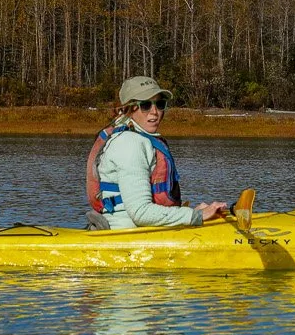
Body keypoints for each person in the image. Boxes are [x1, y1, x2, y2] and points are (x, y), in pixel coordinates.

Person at [85, 76, 228, 228]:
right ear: (127, 108)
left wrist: (189, 212)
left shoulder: (135, 138)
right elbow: (140, 213)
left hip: (145, 230)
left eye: (160, 104)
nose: (154, 112)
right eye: (145, 105)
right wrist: (195, 216)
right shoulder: (129, 143)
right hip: (129, 235)